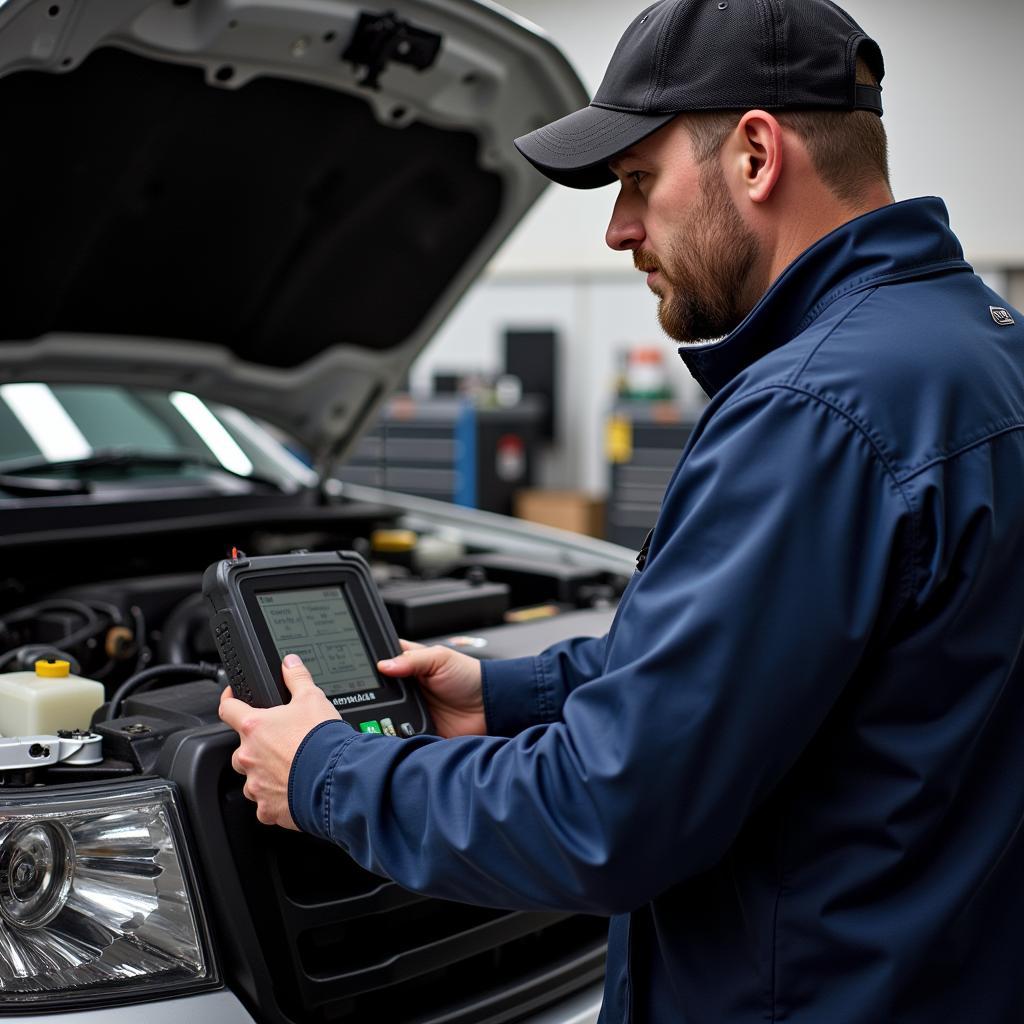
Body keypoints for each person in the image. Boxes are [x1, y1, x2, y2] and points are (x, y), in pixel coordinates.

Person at [219, 0, 1024, 1020]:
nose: (617, 229)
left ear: (755, 155)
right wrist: (503, 696)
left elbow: (611, 814)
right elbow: (792, 670)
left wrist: (331, 772)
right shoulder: (981, 351)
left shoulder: (811, 413)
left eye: (637, 180)